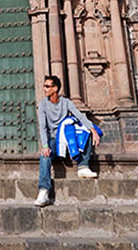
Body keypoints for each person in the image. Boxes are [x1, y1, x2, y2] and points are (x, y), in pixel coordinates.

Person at [34, 75, 100, 207]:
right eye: (44, 86)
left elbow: (79, 115)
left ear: (55, 88)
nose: (44, 88)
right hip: (53, 140)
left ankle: (83, 166)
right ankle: (44, 191)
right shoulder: (43, 105)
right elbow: (42, 126)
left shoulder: (66, 103)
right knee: (45, 156)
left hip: (66, 136)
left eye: (47, 86)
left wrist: (93, 130)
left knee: (85, 131)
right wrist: (45, 145)